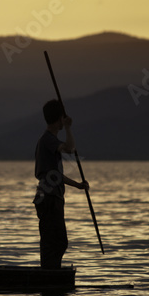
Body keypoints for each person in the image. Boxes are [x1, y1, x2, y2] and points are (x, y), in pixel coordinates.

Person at [33, 99, 89, 269]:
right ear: (59, 119)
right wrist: (69, 128)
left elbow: (57, 175)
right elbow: (70, 149)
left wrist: (78, 185)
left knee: (58, 242)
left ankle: (52, 272)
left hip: (52, 197)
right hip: (48, 199)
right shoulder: (48, 140)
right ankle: (49, 275)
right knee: (54, 242)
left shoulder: (49, 141)